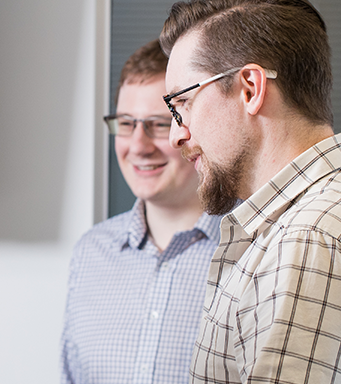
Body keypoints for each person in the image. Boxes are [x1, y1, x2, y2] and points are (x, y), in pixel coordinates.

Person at [157, 0, 341, 382]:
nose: (176, 135)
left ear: (250, 89)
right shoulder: (340, 207)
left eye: (183, 104)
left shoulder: (310, 241)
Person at [61, 39, 222, 384]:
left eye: (158, 124)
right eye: (126, 123)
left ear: (188, 130)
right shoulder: (91, 252)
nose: (137, 146)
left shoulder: (250, 252)